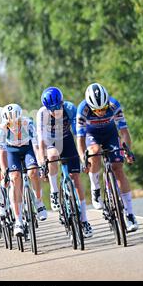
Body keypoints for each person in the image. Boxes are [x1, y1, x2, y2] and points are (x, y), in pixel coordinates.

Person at [76, 83, 138, 232]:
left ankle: (130, 214)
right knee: (95, 152)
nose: (102, 112)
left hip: (110, 134)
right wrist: (83, 159)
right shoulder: (82, 110)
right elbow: (80, 139)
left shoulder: (113, 104)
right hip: (92, 136)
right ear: (90, 107)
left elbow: (124, 132)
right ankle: (95, 187)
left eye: (103, 108)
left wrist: (127, 151)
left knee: (118, 168)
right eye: (97, 110)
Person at [37, 87, 93, 237]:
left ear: (62, 102)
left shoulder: (70, 108)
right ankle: (55, 192)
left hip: (67, 140)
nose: (56, 111)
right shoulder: (42, 114)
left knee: (76, 180)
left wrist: (84, 156)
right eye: (52, 109)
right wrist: (43, 163)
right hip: (50, 142)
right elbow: (41, 142)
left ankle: (84, 220)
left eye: (58, 107)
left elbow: (78, 134)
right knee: (53, 155)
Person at [0, 104, 48, 237]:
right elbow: (2, 152)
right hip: (11, 151)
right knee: (15, 178)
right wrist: (3, 169)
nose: (14, 125)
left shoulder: (28, 123)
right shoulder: (1, 129)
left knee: (33, 172)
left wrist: (41, 162)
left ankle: (38, 201)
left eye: (17, 121)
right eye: (10, 123)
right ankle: (18, 220)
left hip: (27, 149)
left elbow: (36, 146)